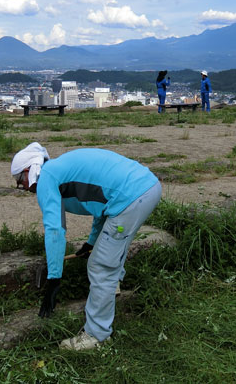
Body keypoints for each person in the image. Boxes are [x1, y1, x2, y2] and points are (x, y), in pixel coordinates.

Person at [35, 148, 161, 351]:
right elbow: (102, 207)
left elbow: (55, 231)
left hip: (131, 197)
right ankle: (113, 287)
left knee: (100, 266)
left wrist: (54, 278)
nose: (21, 186)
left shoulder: (46, 178)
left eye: (20, 179)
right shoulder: (61, 169)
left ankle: (96, 336)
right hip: (146, 186)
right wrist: (91, 243)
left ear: (29, 170)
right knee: (112, 247)